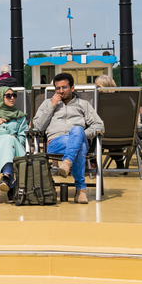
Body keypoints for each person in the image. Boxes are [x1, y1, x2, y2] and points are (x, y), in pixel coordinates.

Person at [33, 73, 104, 204]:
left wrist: (83, 134)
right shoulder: (47, 103)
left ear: (72, 88)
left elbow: (99, 125)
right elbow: (38, 126)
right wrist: (52, 106)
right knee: (80, 146)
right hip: (56, 142)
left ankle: (67, 163)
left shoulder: (83, 104)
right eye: (57, 88)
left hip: (79, 138)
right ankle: (80, 190)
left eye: (64, 87)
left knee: (77, 130)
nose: (60, 91)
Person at [94, 75, 124, 169]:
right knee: (114, 131)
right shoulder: (125, 99)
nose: (96, 88)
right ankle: (120, 164)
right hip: (123, 137)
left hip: (101, 136)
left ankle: (92, 162)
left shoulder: (97, 102)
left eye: (97, 86)